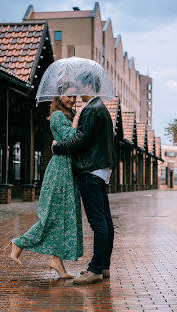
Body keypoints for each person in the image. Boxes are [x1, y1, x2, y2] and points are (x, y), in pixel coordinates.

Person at [8, 82, 83, 279]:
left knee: (64, 217)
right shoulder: (58, 116)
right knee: (51, 217)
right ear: (59, 96)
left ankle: (56, 261)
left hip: (68, 172)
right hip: (60, 172)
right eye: (69, 96)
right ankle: (19, 242)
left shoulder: (67, 115)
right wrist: (76, 121)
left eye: (75, 97)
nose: (73, 100)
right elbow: (70, 138)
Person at [52, 71, 116, 285]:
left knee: (98, 222)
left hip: (90, 171)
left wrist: (57, 147)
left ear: (89, 85)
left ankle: (95, 270)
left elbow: (80, 140)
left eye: (79, 86)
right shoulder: (102, 109)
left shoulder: (92, 110)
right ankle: (104, 266)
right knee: (105, 220)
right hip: (101, 170)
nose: (77, 92)